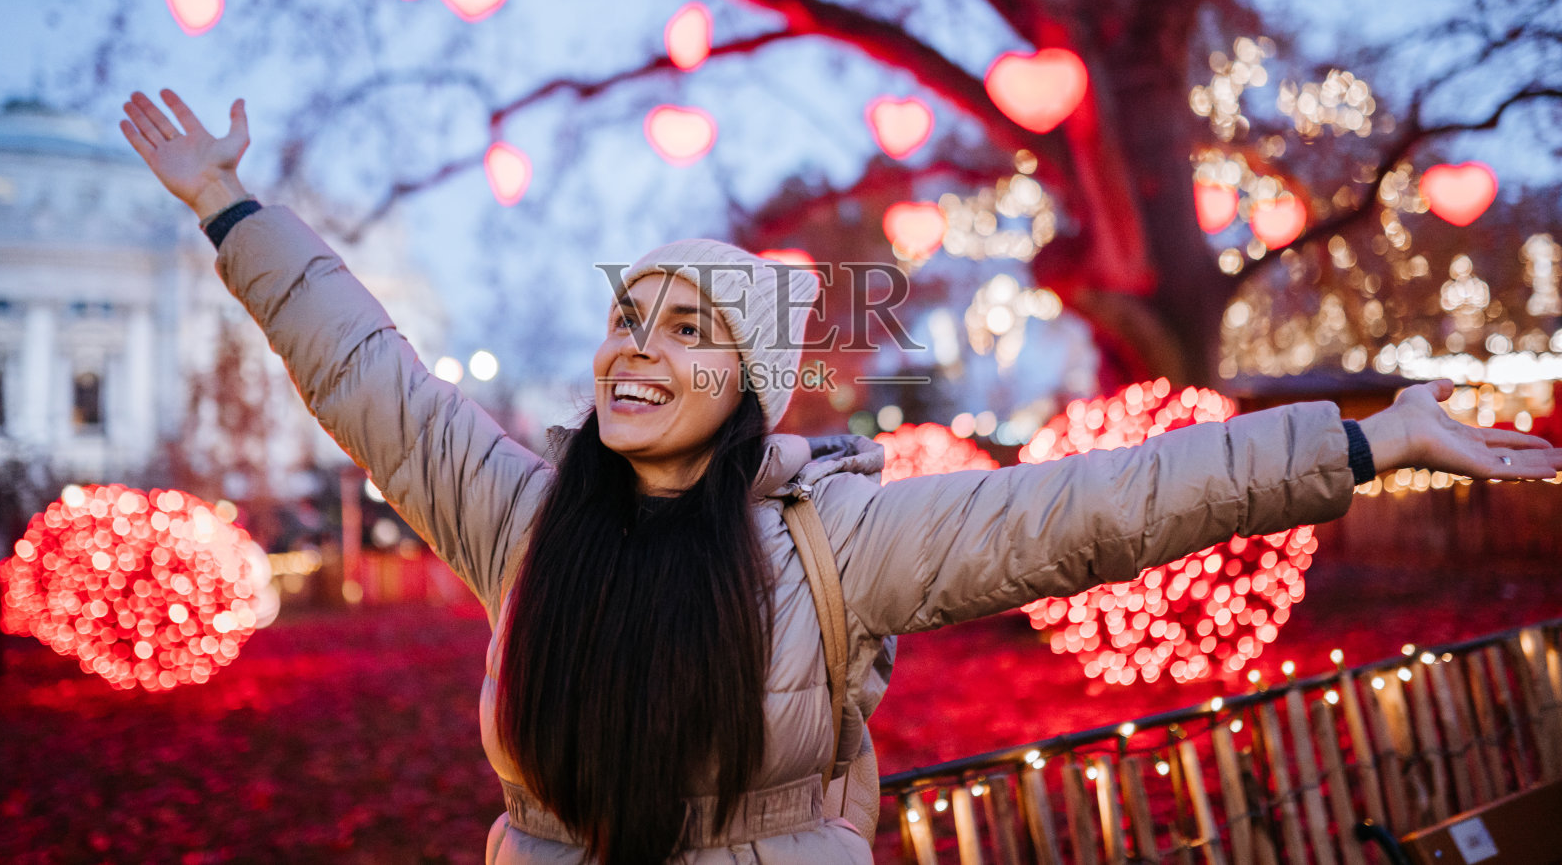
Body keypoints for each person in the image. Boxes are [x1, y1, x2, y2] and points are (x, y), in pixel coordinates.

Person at [120, 90, 1562, 865]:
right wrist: (234, 209)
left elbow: (1103, 506)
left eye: (687, 334)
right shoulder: (523, 518)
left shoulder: (835, 540)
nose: (637, 352)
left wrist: (1365, 439)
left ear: (747, 386)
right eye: (630, 320)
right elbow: (364, 369)